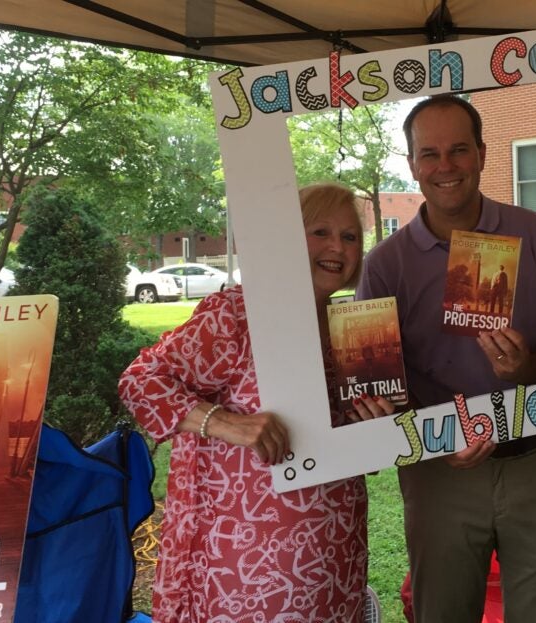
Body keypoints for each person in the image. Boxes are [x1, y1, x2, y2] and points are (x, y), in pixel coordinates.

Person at [356, 94, 536, 623]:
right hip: (439, 476)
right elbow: (379, 380)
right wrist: (436, 442)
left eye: (459, 150)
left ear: (482, 154)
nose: (445, 166)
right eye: (430, 153)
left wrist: (527, 368)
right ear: (412, 164)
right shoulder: (384, 265)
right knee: (443, 612)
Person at [119, 183, 394, 622]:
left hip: (334, 549)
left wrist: (375, 430)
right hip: (247, 559)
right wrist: (226, 423)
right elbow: (141, 381)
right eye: (320, 231)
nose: (337, 247)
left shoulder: (354, 328)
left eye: (349, 236)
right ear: (285, 236)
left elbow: (357, 449)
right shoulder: (237, 315)